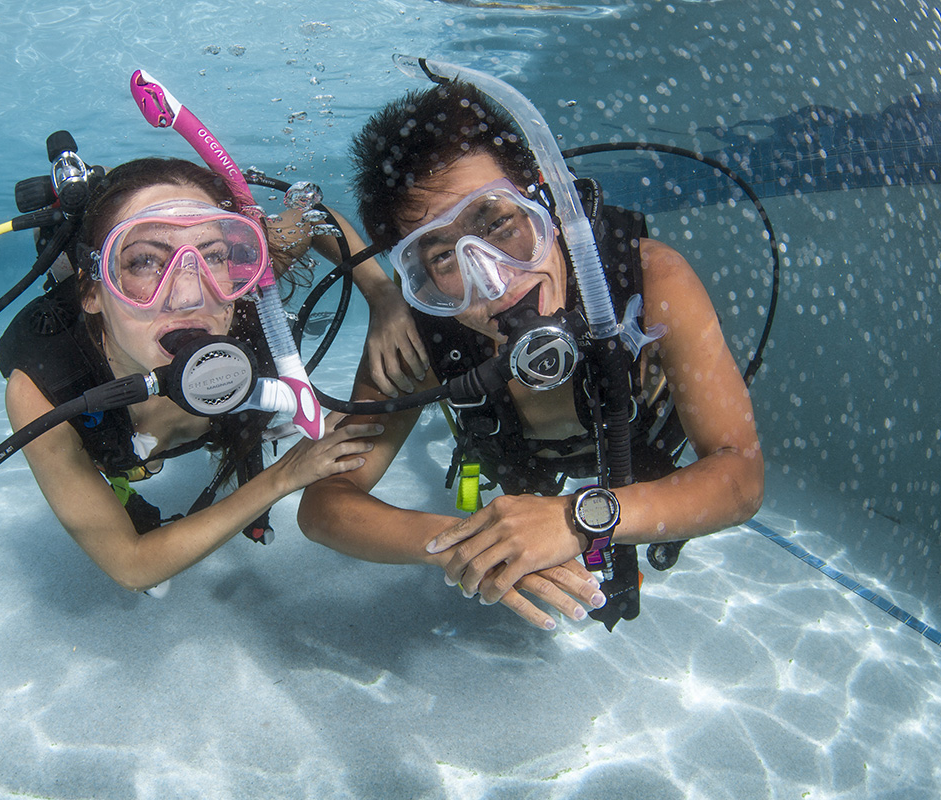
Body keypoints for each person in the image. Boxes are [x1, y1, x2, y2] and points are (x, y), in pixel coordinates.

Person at [297, 81, 764, 630]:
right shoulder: (426, 333)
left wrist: (578, 520)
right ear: (417, 276)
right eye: (444, 256)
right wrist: (465, 544)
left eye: (499, 223)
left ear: (545, 200)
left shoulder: (649, 279)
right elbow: (326, 503)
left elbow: (740, 477)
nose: (494, 281)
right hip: (522, 472)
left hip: (639, 465)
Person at [0, 157, 384, 593]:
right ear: (93, 290)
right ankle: (59, 236)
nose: (189, 295)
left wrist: (384, 297)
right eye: (145, 261)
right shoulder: (43, 391)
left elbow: (314, 219)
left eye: (213, 254)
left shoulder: (245, 289)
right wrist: (282, 477)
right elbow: (131, 566)